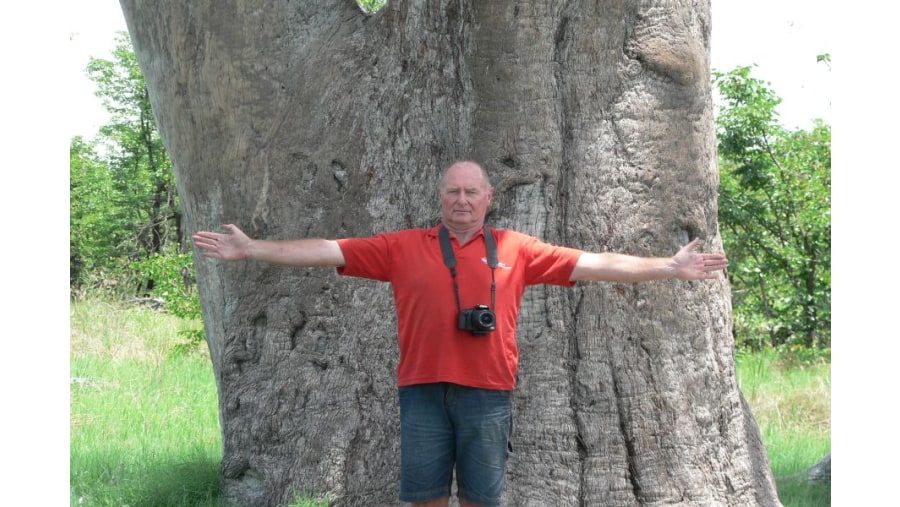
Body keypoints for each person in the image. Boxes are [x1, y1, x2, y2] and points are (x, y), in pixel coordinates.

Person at [192, 160, 728, 507]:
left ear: (489, 196)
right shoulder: (402, 246)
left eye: (472, 192)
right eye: (452, 191)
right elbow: (327, 249)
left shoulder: (518, 248)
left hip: (489, 394)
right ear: (440, 196)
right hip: (422, 391)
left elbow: (596, 263)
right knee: (424, 498)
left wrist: (669, 265)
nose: (462, 200)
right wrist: (253, 247)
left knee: (481, 498)